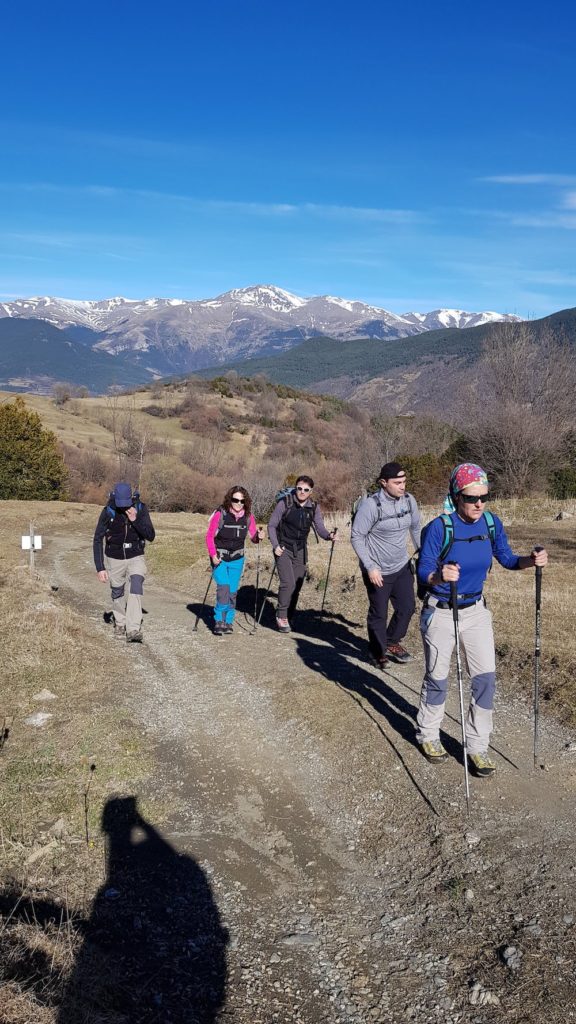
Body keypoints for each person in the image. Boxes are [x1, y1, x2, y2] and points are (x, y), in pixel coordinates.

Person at [416, 462, 548, 776]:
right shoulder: (440, 527)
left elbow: (507, 558)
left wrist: (531, 561)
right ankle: (429, 734)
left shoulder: (490, 523)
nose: (478, 503)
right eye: (470, 498)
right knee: (438, 679)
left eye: (484, 497)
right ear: (455, 496)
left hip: (476, 612)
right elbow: (423, 571)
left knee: (485, 679)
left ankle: (477, 747)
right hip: (441, 610)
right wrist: (439, 574)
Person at [351, 462, 421, 668]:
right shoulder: (371, 506)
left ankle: (391, 641)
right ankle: (377, 652)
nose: (403, 486)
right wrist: (370, 566)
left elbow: (416, 528)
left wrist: (424, 554)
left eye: (404, 482)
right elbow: (357, 536)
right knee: (379, 613)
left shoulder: (409, 501)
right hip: (378, 570)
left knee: (407, 608)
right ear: (383, 483)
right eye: (397, 482)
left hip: (401, 566)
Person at [268, 475, 336, 633]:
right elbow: (271, 526)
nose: (302, 492)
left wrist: (329, 536)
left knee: (297, 585)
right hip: (283, 547)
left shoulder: (313, 507)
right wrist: (276, 545)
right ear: (295, 488)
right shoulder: (285, 503)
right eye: (299, 488)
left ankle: (288, 615)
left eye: (306, 490)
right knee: (288, 583)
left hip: (300, 549)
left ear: (311, 491)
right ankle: (281, 615)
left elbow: (320, 528)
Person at [93, 482, 156, 643]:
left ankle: (133, 628)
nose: (123, 507)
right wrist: (100, 567)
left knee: (136, 584)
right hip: (114, 557)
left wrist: (135, 520)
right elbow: (98, 538)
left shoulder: (140, 508)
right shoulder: (108, 511)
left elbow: (150, 535)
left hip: (136, 555)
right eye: (120, 504)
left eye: (125, 504)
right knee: (117, 591)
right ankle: (120, 622)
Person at [205, 486, 264, 635]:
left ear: (246, 502)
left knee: (232, 592)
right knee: (223, 588)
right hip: (220, 558)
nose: (238, 503)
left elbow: (253, 538)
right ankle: (219, 620)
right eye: (235, 500)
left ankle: (228, 621)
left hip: (237, 559)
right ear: (229, 499)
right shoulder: (220, 514)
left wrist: (259, 536)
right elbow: (209, 536)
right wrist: (213, 555)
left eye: (241, 501)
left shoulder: (248, 517)